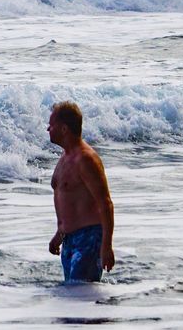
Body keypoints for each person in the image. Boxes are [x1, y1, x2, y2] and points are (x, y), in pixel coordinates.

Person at [47, 100, 114, 282]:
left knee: (81, 299)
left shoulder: (86, 160)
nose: (47, 129)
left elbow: (105, 202)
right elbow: (70, 200)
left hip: (89, 239)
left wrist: (106, 246)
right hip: (69, 240)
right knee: (72, 298)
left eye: (51, 125)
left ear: (64, 129)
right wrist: (60, 234)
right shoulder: (65, 157)